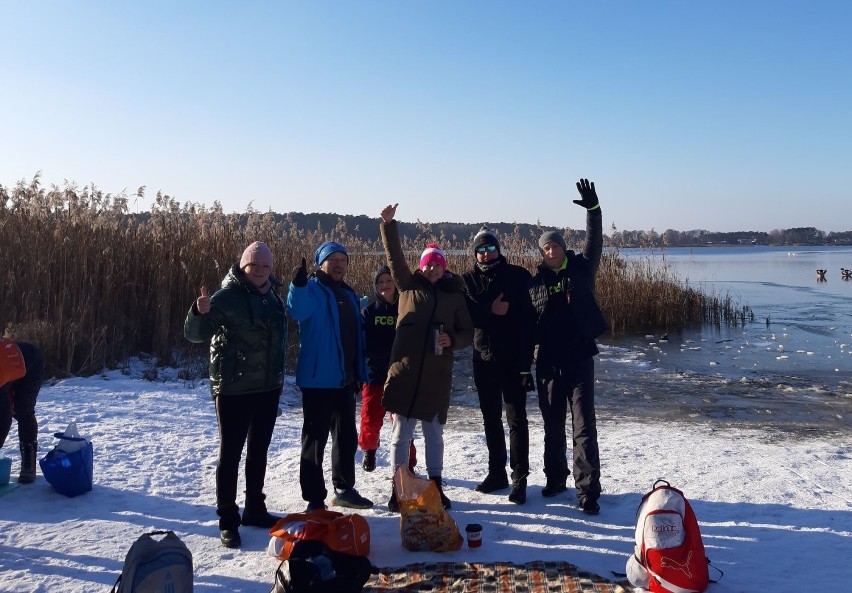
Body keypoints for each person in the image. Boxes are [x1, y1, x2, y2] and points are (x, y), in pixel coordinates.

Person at [184, 241, 287, 548]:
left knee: (259, 452)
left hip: (268, 388)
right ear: (243, 267)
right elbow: (195, 335)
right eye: (253, 266)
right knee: (230, 455)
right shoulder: (226, 297)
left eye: (265, 266)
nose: (259, 271)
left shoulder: (273, 298)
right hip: (234, 389)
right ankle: (228, 518)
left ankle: (254, 508)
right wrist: (198, 313)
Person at [379, 203, 474, 512]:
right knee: (401, 435)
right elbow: (394, 257)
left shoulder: (454, 295)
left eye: (437, 264)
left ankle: (436, 487)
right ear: (421, 267)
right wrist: (389, 225)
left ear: (444, 267)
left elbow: (467, 332)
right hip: (406, 373)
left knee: (434, 435)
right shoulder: (408, 285)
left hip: (435, 377)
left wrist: (452, 340)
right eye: (428, 264)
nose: (432, 269)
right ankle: (398, 489)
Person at [528, 178, 609, 515]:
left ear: (562, 247)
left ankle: (588, 491)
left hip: (578, 360)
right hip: (546, 362)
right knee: (551, 426)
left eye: (555, 246)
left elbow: (594, 240)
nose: (551, 251)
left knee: (583, 426)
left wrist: (593, 209)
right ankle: (555, 478)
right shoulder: (534, 283)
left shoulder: (581, 269)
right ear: (542, 253)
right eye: (546, 248)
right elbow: (525, 325)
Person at [287, 241, 373, 512]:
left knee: (346, 437)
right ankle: (314, 499)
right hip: (317, 381)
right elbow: (296, 310)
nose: (338, 264)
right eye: (332, 259)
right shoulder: (311, 290)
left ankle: (344, 489)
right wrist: (297, 286)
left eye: (343, 260)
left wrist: (360, 371)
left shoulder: (347, 294)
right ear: (321, 263)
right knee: (315, 440)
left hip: (345, 380)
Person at [462, 228, 536, 504]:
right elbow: (466, 317)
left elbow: (529, 321)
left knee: (517, 420)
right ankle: (497, 474)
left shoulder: (518, 276)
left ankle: (520, 479)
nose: (485, 253)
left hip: (514, 360)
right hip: (483, 359)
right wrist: (489, 311)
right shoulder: (467, 280)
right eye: (480, 250)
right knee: (490, 418)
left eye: (490, 248)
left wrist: (527, 364)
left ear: (498, 249)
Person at [359, 265, 417, 473]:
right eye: (380, 282)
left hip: (400, 376)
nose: (385, 285)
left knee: (402, 422)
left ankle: (408, 463)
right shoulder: (368, 312)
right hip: (374, 375)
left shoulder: (405, 308)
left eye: (388, 281)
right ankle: (369, 450)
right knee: (371, 417)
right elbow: (363, 345)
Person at [0, 340, 43, 484]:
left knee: (23, 411)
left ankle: (28, 465)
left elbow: (4, 419)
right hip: (10, 368)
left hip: (30, 365)